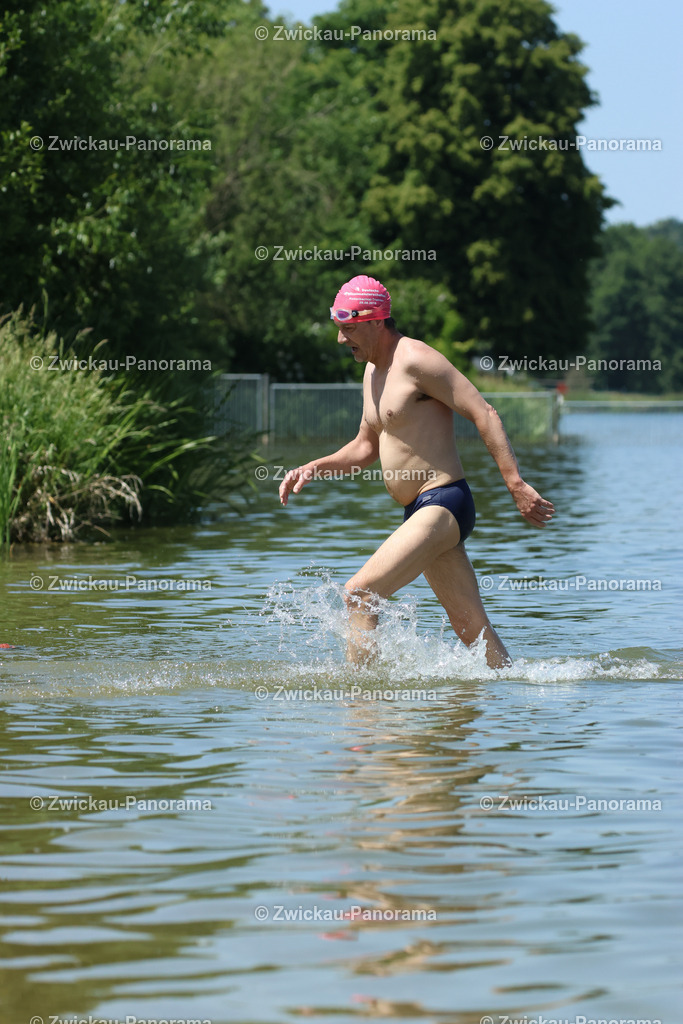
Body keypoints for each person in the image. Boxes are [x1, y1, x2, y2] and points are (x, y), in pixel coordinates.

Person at [279, 275, 554, 668]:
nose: (342, 340)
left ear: (376, 321)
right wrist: (313, 467)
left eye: (349, 329)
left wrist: (515, 484)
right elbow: (364, 447)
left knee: (360, 594)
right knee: (472, 630)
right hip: (420, 511)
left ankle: (363, 706)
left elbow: (483, 412)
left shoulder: (417, 360)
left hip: (444, 503)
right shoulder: (372, 372)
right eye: (339, 330)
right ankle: (513, 696)